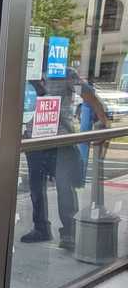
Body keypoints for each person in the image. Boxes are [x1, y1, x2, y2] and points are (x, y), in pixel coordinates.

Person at [21, 66, 109, 250]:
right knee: (36, 187)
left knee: (64, 187)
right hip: (34, 140)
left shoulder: (64, 72)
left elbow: (87, 93)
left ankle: (69, 232)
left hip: (61, 139)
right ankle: (41, 228)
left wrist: (103, 119)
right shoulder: (27, 71)